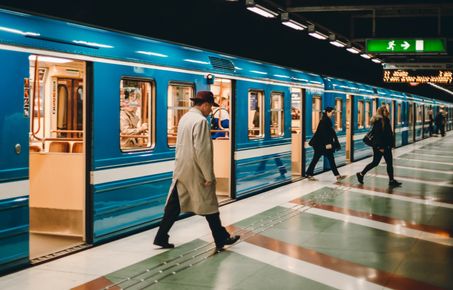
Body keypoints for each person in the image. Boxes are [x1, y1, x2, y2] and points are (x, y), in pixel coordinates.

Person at [154, 91, 240, 251]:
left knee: (174, 205)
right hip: (196, 171)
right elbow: (202, 151)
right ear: (205, 104)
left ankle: (161, 236)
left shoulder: (185, 118)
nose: (210, 112)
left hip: (182, 169)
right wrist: (209, 175)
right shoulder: (200, 121)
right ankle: (221, 238)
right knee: (210, 206)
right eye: (210, 108)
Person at [356, 106, 402, 187]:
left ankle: (361, 174)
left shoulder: (384, 120)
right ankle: (361, 174)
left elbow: (387, 134)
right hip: (381, 147)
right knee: (380, 163)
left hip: (384, 146)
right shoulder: (380, 121)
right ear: (383, 112)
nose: (388, 112)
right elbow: (379, 135)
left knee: (379, 163)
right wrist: (380, 147)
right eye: (386, 110)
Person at [305, 107, 345, 181]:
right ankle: (338, 176)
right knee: (330, 159)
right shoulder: (324, 120)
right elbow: (324, 133)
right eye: (332, 113)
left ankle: (309, 173)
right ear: (327, 112)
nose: (333, 114)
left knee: (316, 159)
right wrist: (328, 143)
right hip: (322, 144)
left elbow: (327, 132)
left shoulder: (325, 119)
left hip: (319, 144)